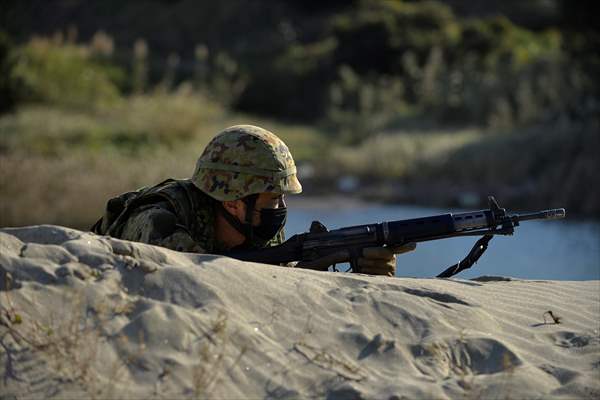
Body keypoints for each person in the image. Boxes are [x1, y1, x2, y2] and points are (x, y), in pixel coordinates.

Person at [92, 125, 414, 275]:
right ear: (233, 201)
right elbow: (199, 280)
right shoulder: (158, 220)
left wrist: (362, 274)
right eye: (272, 199)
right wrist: (299, 274)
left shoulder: (255, 226)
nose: (280, 212)